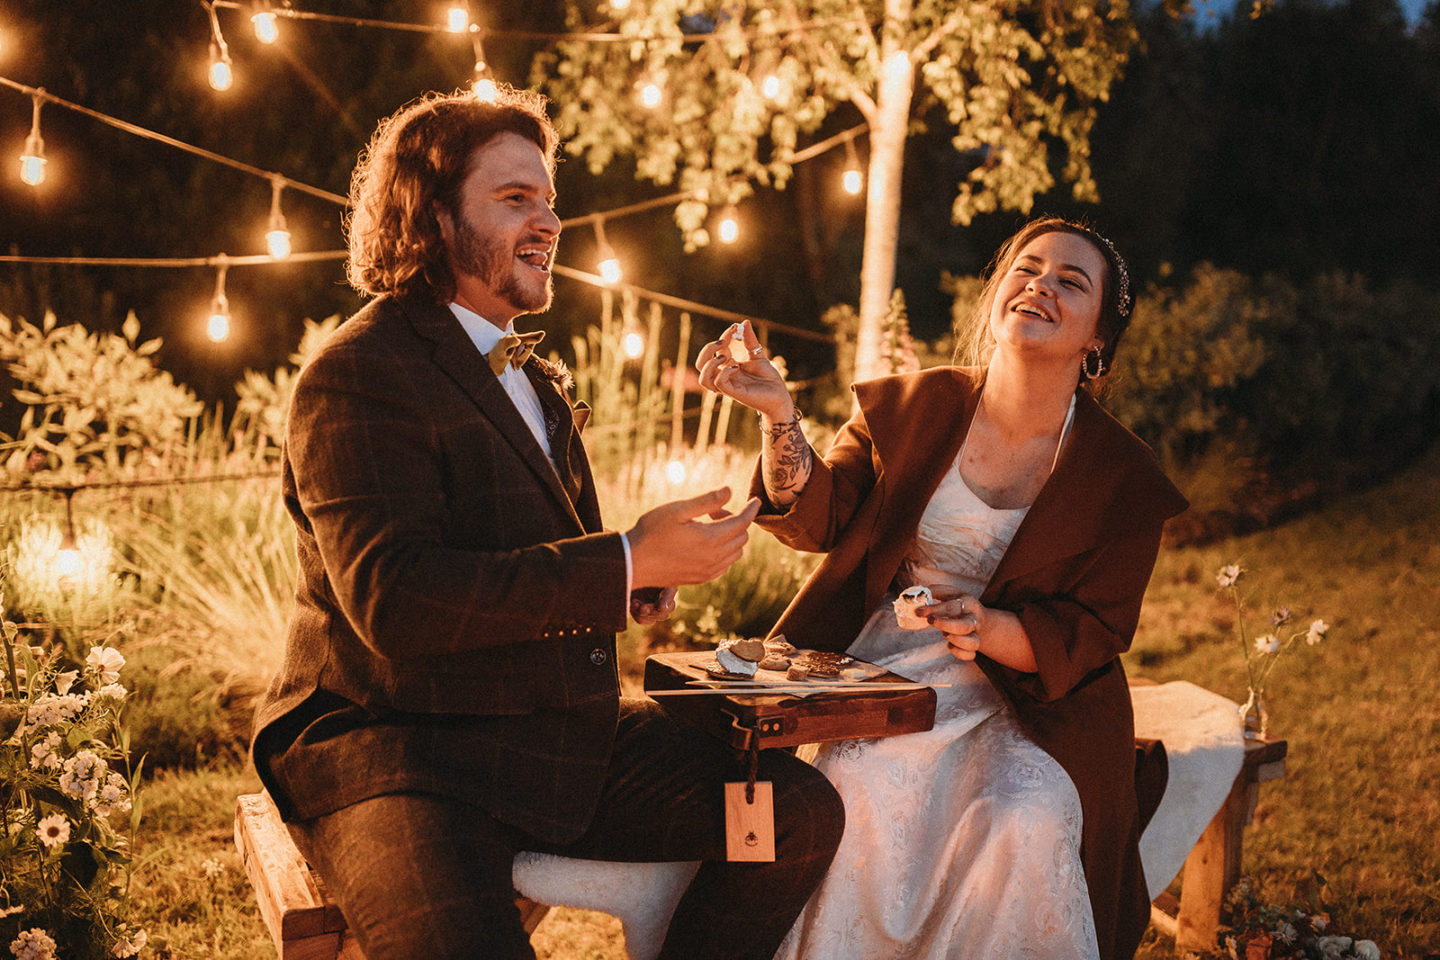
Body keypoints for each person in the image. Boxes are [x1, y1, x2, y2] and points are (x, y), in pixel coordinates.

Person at [250, 85, 844, 960]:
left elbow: (561, 560)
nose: (550, 221)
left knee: (797, 814)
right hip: (398, 752)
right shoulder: (357, 372)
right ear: (434, 218)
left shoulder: (538, 383)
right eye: (515, 198)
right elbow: (396, 599)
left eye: (551, 200)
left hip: (554, 739)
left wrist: (647, 574)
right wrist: (626, 559)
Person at [696, 217, 1187, 960]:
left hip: (1035, 695)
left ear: (1097, 340)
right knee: (858, 784)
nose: (1040, 286)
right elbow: (820, 513)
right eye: (1028, 268)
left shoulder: (1124, 479)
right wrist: (779, 416)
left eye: (1069, 282)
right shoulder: (913, 407)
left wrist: (990, 629)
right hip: (889, 669)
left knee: (1027, 815)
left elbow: (1095, 629)